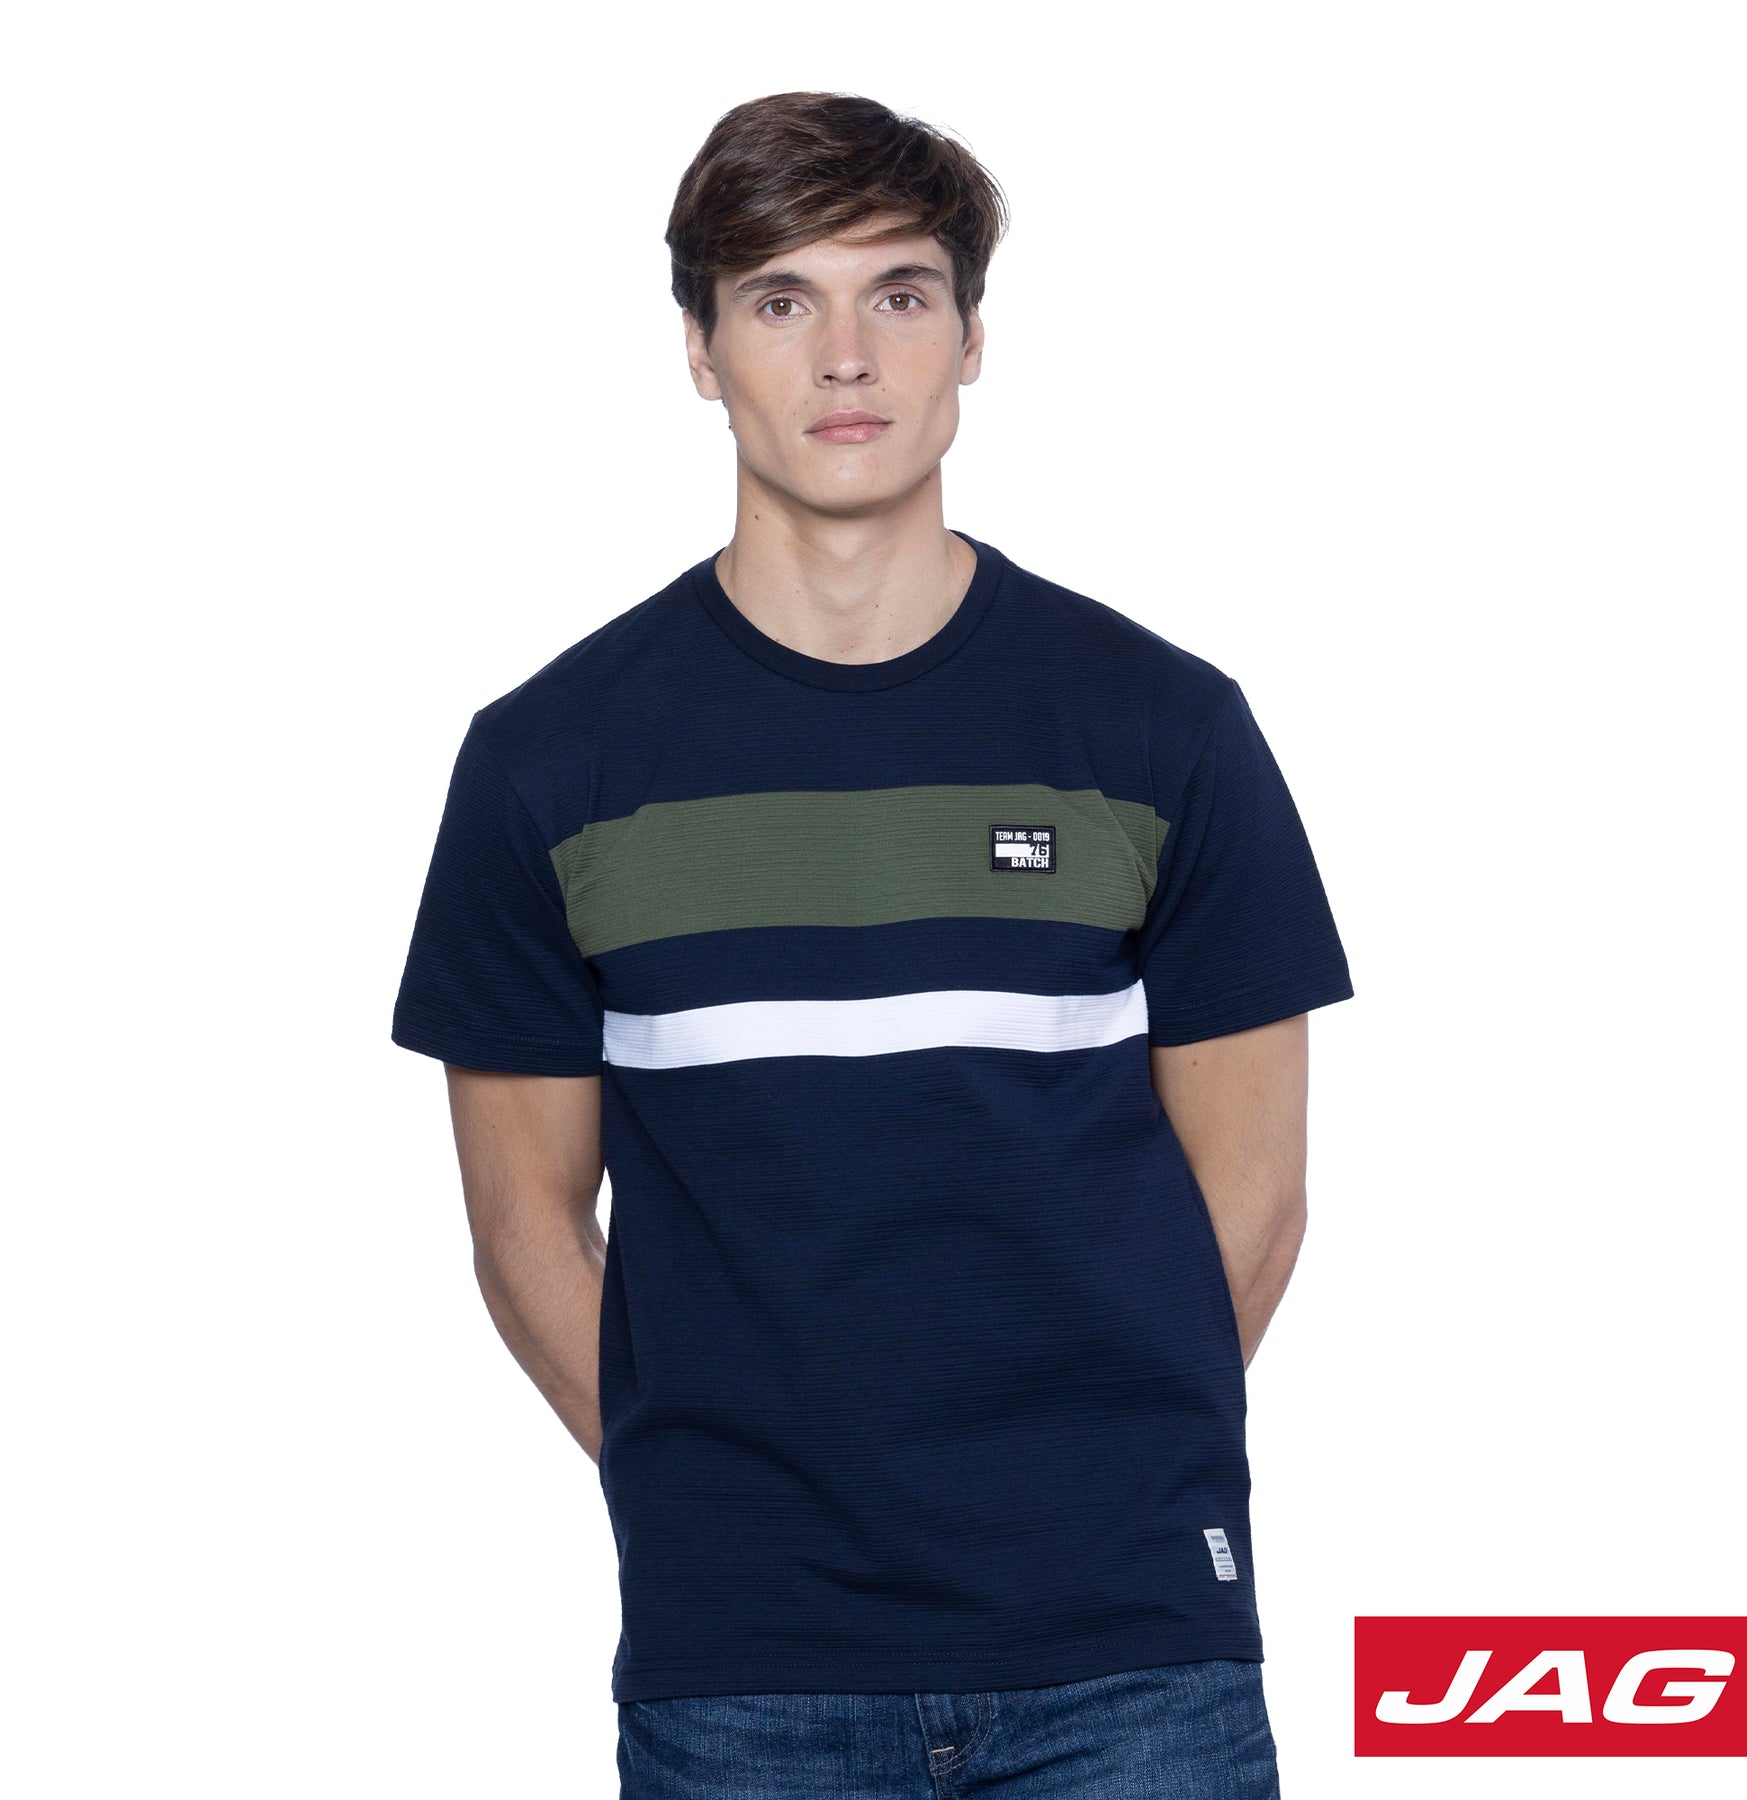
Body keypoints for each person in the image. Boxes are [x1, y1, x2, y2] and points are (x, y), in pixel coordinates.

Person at [392, 89, 1353, 1799]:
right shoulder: (549, 764)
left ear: (971, 338)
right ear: (701, 352)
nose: (847, 355)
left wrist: (1090, 1485)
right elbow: (523, 1226)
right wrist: (712, 1500)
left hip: (1129, 1658)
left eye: (899, 294)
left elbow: (1258, 1199)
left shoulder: (1162, 729)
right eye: (782, 299)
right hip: (747, 1676)